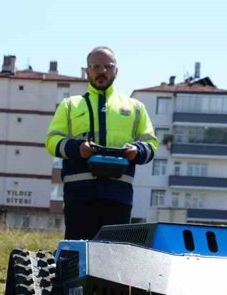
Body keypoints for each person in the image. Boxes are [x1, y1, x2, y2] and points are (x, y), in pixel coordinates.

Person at [45, 47, 158, 239]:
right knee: (78, 250)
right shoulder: (69, 105)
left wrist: (137, 151)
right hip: (80, 195)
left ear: (116, 71)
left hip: (118, 195)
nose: (102, 71)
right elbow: (51, 141)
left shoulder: (135, 107)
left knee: (114, 251)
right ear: (87, 71)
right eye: (96, 67)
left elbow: (151, 144)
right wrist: (77, 148)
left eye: (108, 66)